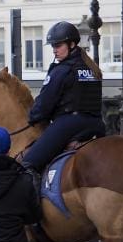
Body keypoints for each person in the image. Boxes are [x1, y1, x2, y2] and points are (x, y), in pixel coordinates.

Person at [22, 21, 106, 173]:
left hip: (69, 125)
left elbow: (44, 104)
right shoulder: (92, 69)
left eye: (58, 45)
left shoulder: (61, 70)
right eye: (53, 46)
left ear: (72, 44)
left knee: (28, 164)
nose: (54, 50)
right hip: (96, 124)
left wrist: (33, 117)